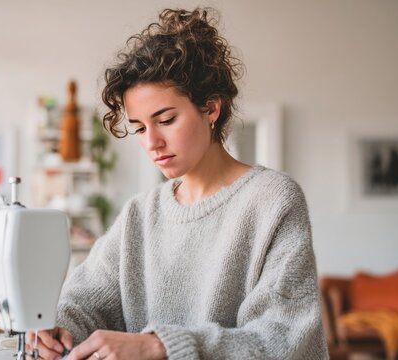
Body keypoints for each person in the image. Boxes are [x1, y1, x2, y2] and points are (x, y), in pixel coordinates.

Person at [27, 8, 327, 360]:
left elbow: (285, 342)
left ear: (211, 108)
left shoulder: (272, 201)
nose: (151, 142)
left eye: (165, 120)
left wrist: (161, 346)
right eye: (139, 128)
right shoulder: (140, 214)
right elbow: (82, 302)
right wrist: (55, 326)